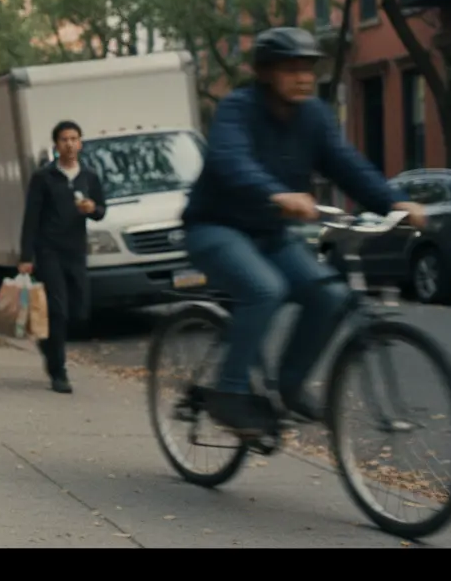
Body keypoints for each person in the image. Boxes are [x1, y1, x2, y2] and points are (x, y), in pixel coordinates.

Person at [180, 26, 428, 437]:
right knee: (265, 289)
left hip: (270, 235)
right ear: (264, 72)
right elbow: (229, 160)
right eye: (291, 68)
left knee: (329, 294)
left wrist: (393, 202)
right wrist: (278, 195)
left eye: (309, 69)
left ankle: (290, 386)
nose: (303, 77)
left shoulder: (312, 116)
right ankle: (229, 392)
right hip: (215, 227)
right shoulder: (237, 108)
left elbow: (346, 164)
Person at [18, 120, 106, 394]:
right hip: (49, 251)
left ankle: (46, 342)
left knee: (79, 310)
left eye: (74, 139)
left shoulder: (89, 176)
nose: (69, 144)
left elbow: (102, 210)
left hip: (76, 251)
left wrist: (92, 209)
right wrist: (26, 255)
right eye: (64, 139)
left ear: (80, 143)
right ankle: (59, 371)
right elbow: (31, 218)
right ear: (56, 145)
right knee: (58, 310)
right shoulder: (44, 178)